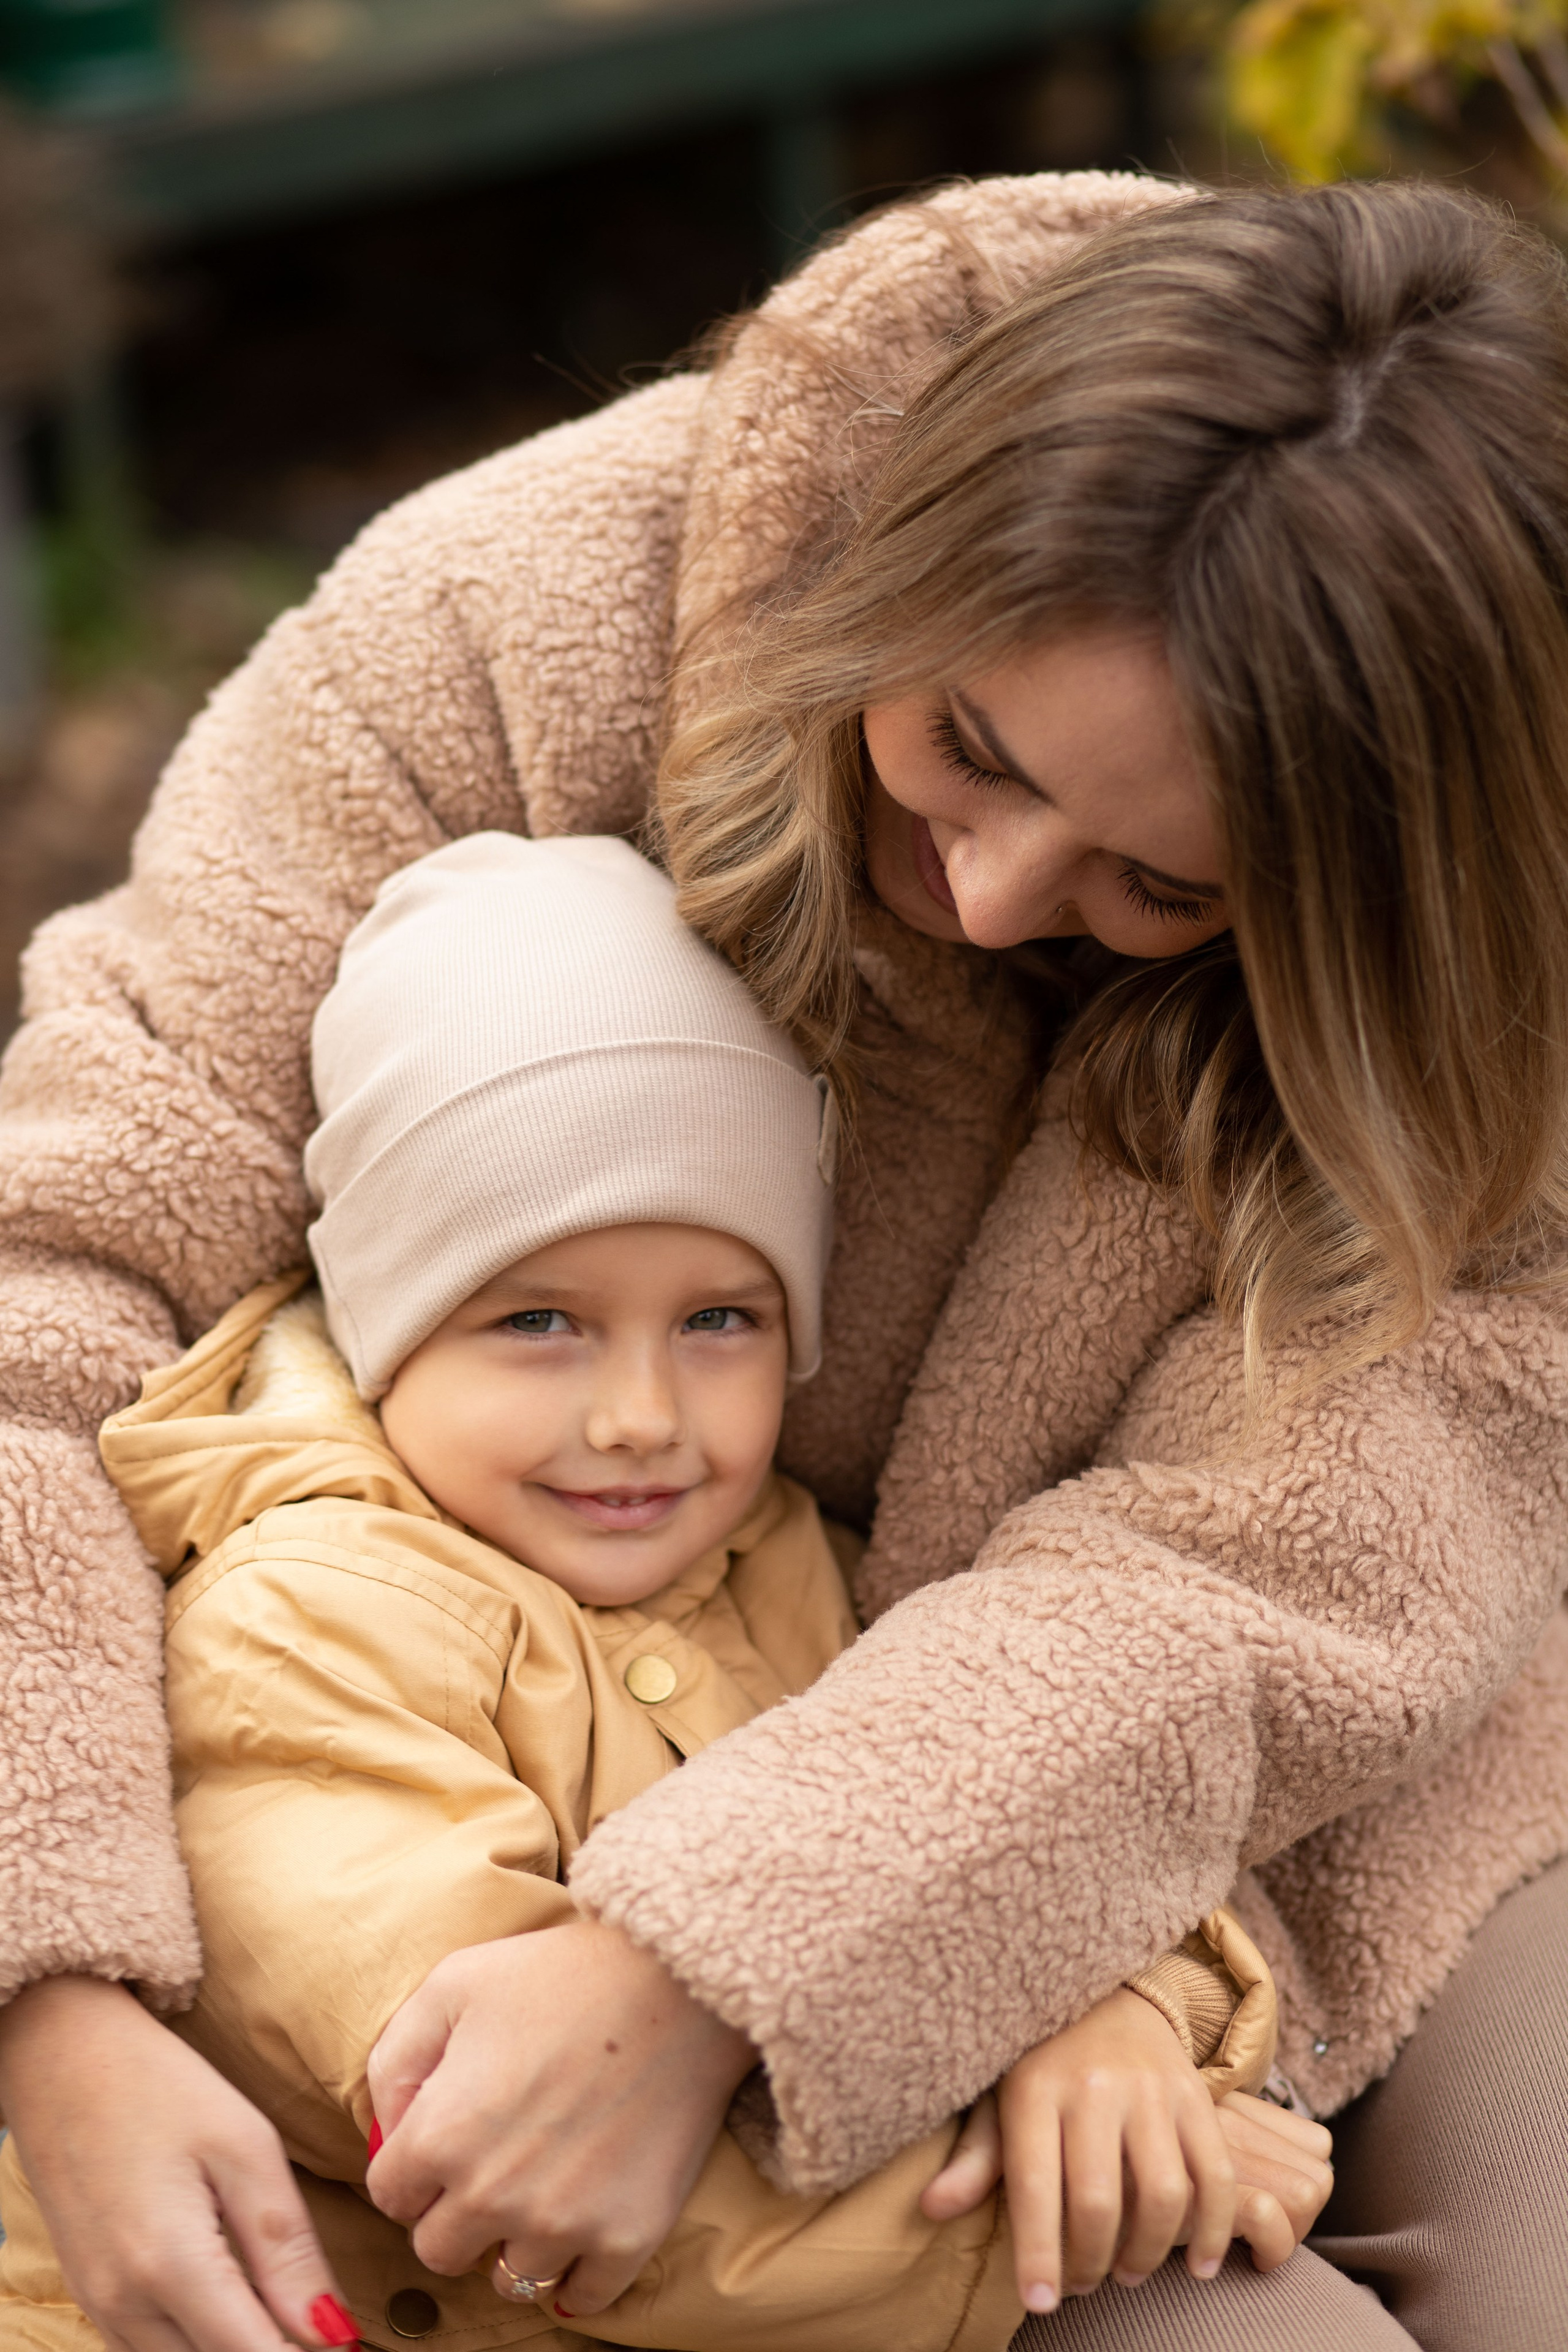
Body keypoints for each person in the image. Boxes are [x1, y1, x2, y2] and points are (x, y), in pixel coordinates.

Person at [0, 168, 1566, 2352]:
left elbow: (1290, 1568)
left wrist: (783, 1956)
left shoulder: (1498, 925)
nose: (995, 898)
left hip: (1286, 1766)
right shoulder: (504, 626)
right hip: (556, 1738)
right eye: (967, 754)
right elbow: (59, 1289)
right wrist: (54, 1991)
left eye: (1166, 890)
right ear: (900, 561)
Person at [0, 831, 1306, 2352]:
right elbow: (498, 2133)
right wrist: (1039, 2202)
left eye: (717, 1320)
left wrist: (1124, 2024)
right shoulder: (303, 1619)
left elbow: (1014, 1843)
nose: (638, 1415)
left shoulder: (790, 1567)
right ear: (381, 1322)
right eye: (537, 1320)